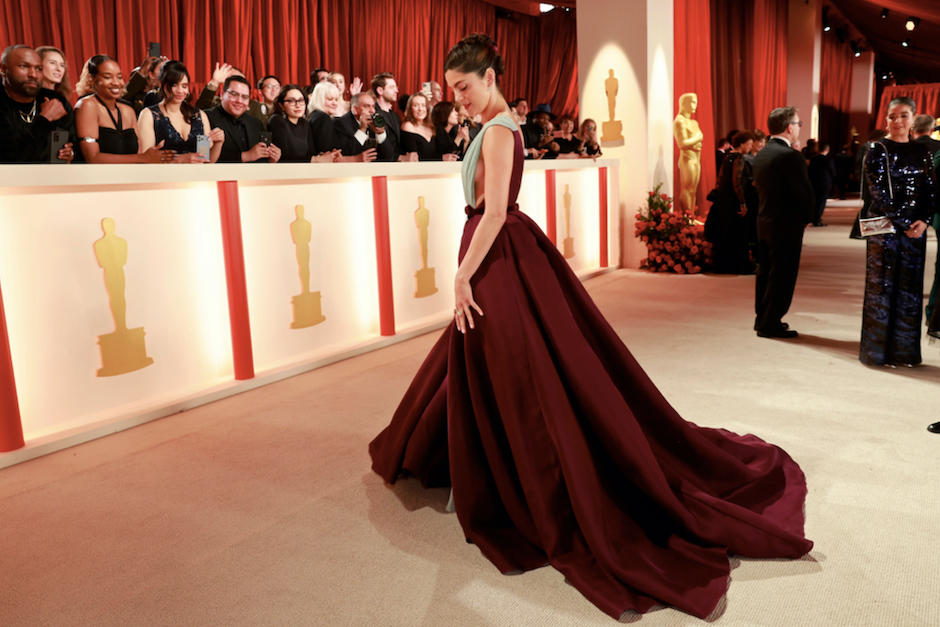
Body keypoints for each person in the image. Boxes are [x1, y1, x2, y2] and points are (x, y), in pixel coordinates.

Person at [369, 33, 812, 622]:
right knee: (490, 360)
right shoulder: (493, 125)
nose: (459, 99)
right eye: (453, 90)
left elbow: (496, 212)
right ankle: (472, 462)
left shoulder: (500, 130)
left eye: (465, 87)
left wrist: (461, 278)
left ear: (491, 76)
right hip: (494, 250)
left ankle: (523, 479)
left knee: (520, 370)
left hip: (494, 252)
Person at [859, 97, 936, 367]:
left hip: (916, 231)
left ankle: (905, 353)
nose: (898, 121)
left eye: (903, 115)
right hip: (886, 231)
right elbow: (878, 193)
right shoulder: (877, 149)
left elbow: (930, 191)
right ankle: (877, 353)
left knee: (910, 291)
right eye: (892, 116)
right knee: (882, 289)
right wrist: (905, 224)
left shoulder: (922, 152)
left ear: (913, 118)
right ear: (886, 120)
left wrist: (924, 221)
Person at [752, 106, 814, 338]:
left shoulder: (763, 152)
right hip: (786, 224)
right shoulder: (790, 156)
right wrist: (808, 217)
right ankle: (771, 323)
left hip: (765, 221)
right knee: (783, 275)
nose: (799, 128)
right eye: (799, 124)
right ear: (790, 127)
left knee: (765, 272)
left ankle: (762, 317)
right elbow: (803, 192)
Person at [74, 55, 173, 163]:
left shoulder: (128, 110)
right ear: (92, 79)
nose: (116, 82)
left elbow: (139, 153)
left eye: (119, 77)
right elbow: (92, 157)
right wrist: (144, 158)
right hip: (96, 178)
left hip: (131, 177)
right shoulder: (87, 105)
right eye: (108, 77)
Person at [0, 44, 74, 163]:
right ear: (3, 69)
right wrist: (45, 119)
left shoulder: (56, 100)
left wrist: (70, 153)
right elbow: (11, 156)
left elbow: (71, 144)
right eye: (24, 66)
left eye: (38, 69)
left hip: (52, 178)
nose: (33, 75)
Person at [137, 60, 223, 163]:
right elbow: (145, 160)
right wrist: (180, 160)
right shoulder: (148, 115)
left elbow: (204, 160)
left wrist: (218, 143)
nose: (180, 91)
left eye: (184, 86)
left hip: (196, 178)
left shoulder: (199, 116)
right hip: (163, 178)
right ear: (162, 85)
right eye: (174, 85)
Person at [705, 131, 756, 274]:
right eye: (750, 144)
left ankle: (724, 265)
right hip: (734, 202)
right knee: (738, 234)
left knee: (725, 233)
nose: (751, 147)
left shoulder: (727, 157)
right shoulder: (739, 158)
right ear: (742, 144)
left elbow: (720, 180)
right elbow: (737, 182)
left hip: (723, 201)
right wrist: (743, 203)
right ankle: (738, 265)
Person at [206, 75, 281, 163]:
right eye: (234, 94)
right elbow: (200, 157)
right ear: (222, 94)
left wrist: (272, 159)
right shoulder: (204, 117)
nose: (239, 101)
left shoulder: (256, 123)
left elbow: (263, 160)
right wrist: (245, 156)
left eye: (245, 97)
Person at [268, 84, 337, 163]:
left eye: (301, 100)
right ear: (281, 105)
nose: (298, 105)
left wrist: (325, 156)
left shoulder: (305, 123)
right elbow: (284, 156)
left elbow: (311, 153)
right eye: (291, 101)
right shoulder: (276, 120)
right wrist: (315, 159)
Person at [332, 91, 393, 162]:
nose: (372, 111)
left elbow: (389, 156)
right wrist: (362, 129)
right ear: (355, 110)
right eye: (367, 106)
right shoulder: (341, 124)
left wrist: (380, 133)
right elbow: (347, 155)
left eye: (373, 106)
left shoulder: (375, 122)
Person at [401, 92, 453, 161]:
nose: (420, 109)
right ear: (410, 109)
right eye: (416, 105)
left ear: (427, 108)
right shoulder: (408, 126)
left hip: (437, 169)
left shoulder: (432, 126)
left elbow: (447, 149)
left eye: (423, 105)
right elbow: (415, 158)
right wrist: (441, 158)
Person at [371, 72, 401, 156]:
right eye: (392, 87)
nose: (396, 90)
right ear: (380, 90)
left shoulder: (395, 116)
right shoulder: (372, 114)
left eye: (396, 87)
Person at [306, 80, 341, 152]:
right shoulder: (322, 118)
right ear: (319, 99)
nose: (334, 103)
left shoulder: (315, 116)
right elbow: (326, 151)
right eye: (330, 99)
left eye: (336, 100)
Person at [807, 143, 835, 226]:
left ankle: (814, 218)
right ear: (827, 150)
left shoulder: (813, 159)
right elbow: (832, 172)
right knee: (821, 202)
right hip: (825, 183)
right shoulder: (828, 159)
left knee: (815, 201)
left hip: (814, 182)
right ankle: (817, 219)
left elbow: (809, 170)